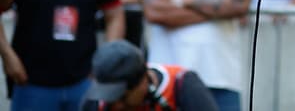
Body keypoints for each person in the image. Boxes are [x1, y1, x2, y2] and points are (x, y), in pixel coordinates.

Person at [81, 40, 218, 111]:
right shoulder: (95, 101)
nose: (116, 106)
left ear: (143, 82)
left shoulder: (182, 84)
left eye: (122, 96)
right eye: (108, 97)